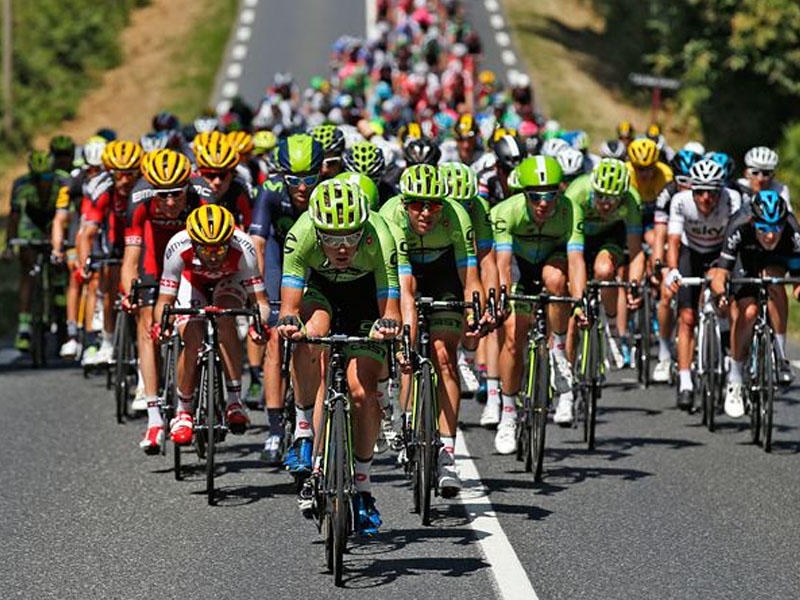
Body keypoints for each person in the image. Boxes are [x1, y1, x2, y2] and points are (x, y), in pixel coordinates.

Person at [277, 179, 400, 533]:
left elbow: (388, 300)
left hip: (365, 298)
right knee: (308, 335)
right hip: (321, 292)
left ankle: (362, 487)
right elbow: (290, 304)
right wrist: (288, 321)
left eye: (351, 236)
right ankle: (304, 432)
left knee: (361, 393)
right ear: (317, 230)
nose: (342, 247)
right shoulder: (301, 234)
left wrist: (388, 324)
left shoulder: (380, 235)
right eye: (331, 238)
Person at [380, 163, 488, 496]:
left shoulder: (457, 216)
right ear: (404, 203)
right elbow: (403, 291)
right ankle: (406, 413)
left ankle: (447, 453)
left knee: (444, 355)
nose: (426, 212)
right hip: (406, 272)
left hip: (443, 275)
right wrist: (402, 341)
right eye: (417, 204)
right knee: (408, 344)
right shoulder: (390, 216)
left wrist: (474, 313)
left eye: (434, 204)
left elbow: (470, 277)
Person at [490, 156, 587, 447]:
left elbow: (577, 260)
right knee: (512, 337)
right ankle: (507, 415)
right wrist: (505, 301)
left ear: (560, 192)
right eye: (535, 196)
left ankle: (558, 349)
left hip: (550, 262)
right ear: (524, 194)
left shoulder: (571, 210)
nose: (543, 203)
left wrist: (580, 303)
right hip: (519, 267)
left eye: (550, 196)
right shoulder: (507, 211)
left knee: (557, 281)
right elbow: (503, 265)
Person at [153, 205, 270, 446]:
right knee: (193, 338)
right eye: (206, 249)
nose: (214, 256)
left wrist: (258, 325)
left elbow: (260, 301)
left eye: (220, 248)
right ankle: (183, 411)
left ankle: (235, 400)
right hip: (191, 281)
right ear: (194, 243)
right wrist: (162, 325)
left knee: (226, 317)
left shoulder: (244, 247)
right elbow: (164, 302)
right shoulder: (178, 246)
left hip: (230, 281)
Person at [248, 134, 325, 463]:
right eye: (295, 180)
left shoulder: (328, 192)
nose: (303, 188)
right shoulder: (270, 191)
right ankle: (276, 428)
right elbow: (258, 245)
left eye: (309, 178)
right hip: (281, 259)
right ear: (282, 176)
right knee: (277, 336)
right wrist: (260, 295)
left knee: (314, 338)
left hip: (317, 258)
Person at [124, 149, 206, 453]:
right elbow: (131, 259)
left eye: (176, 194)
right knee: (147, 322)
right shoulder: (139, 199)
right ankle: (155, 418)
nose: (170, 202)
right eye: (163, 196)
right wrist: (128, 292)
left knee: (192, 325)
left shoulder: (202, 196)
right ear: (151, 191)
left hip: (192, 264)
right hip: (154, 262)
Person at [712, 190, 800, 417]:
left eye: (775, 228)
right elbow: (721, 273)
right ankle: (736, 380)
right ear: (753, 222)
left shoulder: (791, 228)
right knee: (749, 312)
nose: (770, 236)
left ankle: (779, 357)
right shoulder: (739, 224)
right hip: (745, 261)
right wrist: (721, 293)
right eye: (763, 229)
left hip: (775, 261)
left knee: (775, 282)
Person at [662, 159, 740, 410]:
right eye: (700, 192)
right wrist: (672, 271)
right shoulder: (680, 202)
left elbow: (736, 242)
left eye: (712, 192)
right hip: (691, 253)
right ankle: (685, 382)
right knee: (686, 316)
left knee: (725, 300)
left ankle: (728, 348)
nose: (706, 199)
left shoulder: (733, 200)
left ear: (722, 191)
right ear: (691, 191)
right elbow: (673, 241)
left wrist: (724, 274)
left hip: (721, 252)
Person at [563, 158, 646, 366]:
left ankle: (612, 327)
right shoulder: (577, 193)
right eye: (600, 197)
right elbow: (572, 254)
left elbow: (635, 251)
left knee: (604, 270)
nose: (606, 204)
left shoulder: (632, 199)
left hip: (609, 236)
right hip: (576, 235)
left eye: (613, 199)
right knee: (569, 295)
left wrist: (633, 285)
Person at [77, 140, 144, 365]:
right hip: (114, 243)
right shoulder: (104, 191)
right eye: (119, 175)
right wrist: (85, 263)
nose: (125, 180)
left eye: (131, 174)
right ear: (110, 173)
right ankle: (107, 339)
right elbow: (87, 233)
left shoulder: (145, 188)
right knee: (109, 288)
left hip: (142, 243)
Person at [3, 150, 71, 350]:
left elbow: (69, 216)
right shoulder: (21, 185)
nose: (43, 182)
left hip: (55, 219)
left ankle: (60, 301)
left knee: (59, 258)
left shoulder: (63, 183)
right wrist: (9, 245)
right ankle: (24, 327)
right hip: (31, 222)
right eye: (38, 178)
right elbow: (15, 217)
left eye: (48, 177)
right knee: (28, 269)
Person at [651, 148, 701, 382]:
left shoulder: (705, 196)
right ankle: (663, 353)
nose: (689, 188)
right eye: (683, 182)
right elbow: (661, 235)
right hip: (675, 244)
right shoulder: (668, 194)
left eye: (694, 182)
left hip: (697, 246)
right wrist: (660, 266)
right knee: (665, 294)